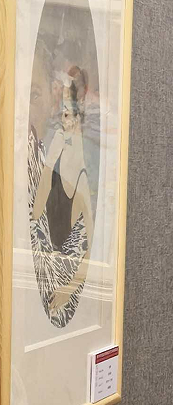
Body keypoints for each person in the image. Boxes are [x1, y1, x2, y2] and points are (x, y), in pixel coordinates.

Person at [28, 65, 94, 328]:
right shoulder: (54, 154)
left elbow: (90, 251)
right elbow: (36, 214)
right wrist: (49, 163)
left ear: (77, 117)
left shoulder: (82, 176)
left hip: (64, 280)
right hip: (46, 267)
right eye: (62, 113)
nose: (62, 120)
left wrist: (68, 289)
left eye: (66, 113)